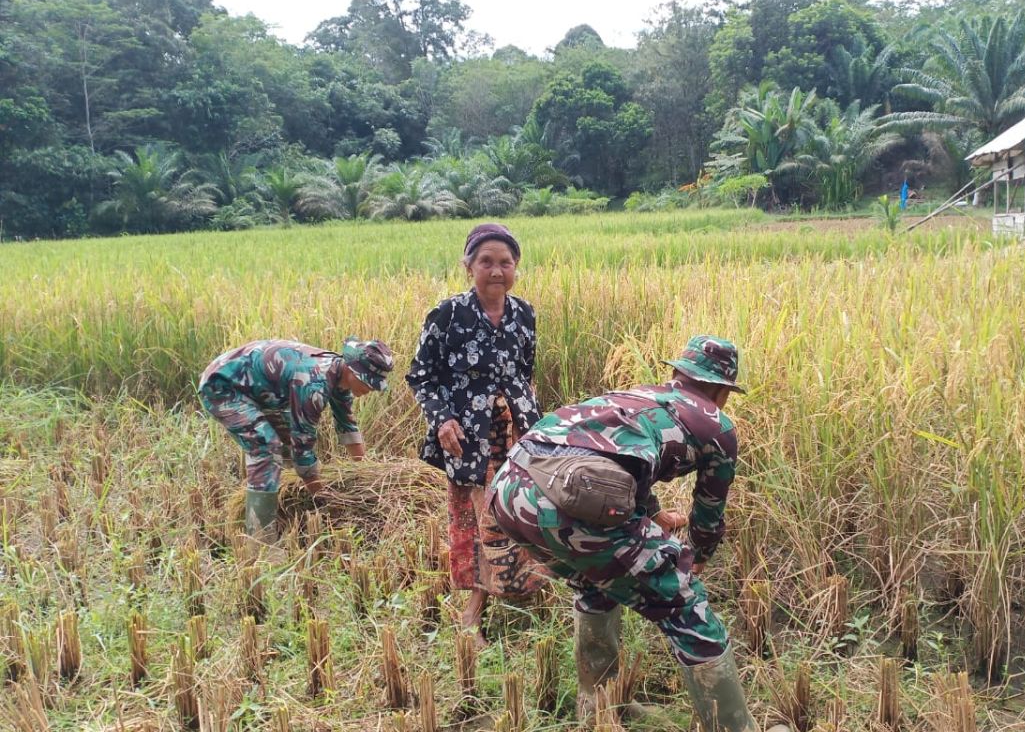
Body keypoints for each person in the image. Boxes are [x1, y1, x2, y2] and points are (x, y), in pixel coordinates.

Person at [489, 335, 787, 732]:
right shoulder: (717, 424)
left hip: (509, 490)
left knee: (596, 583)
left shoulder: (638, 397)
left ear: (678, 374)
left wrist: (656, 516)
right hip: (566, 501)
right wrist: (697, 555)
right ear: (722, 390)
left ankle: (601, 710)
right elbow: (708, 512)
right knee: (685, 605)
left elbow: (615, 463)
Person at [406, 223, 546, 646]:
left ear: (516, 267)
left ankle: (518, 586)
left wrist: (528, 418)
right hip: (469, 437)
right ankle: (472, 612)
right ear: (469, 266)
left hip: (518, 431)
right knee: (483, 518)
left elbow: (526, 371)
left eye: (506, 262)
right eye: (487, 261)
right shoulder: (447, 315)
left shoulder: (524, 313)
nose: (497, 270)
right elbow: (421, 377)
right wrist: (442, 420)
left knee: (522, 510)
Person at [198, 337, 394, 551]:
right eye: (369, 382)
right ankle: (260, 542)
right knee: (266, 447)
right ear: (354, 371)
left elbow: (346, 423)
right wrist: (324, 500)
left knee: (282, 443)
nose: (372, 389)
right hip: (223, 387)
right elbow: (302, 448)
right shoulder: (314, 386)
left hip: (259, 390)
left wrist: (364, 473)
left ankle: (285, 510)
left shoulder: (338, 374)